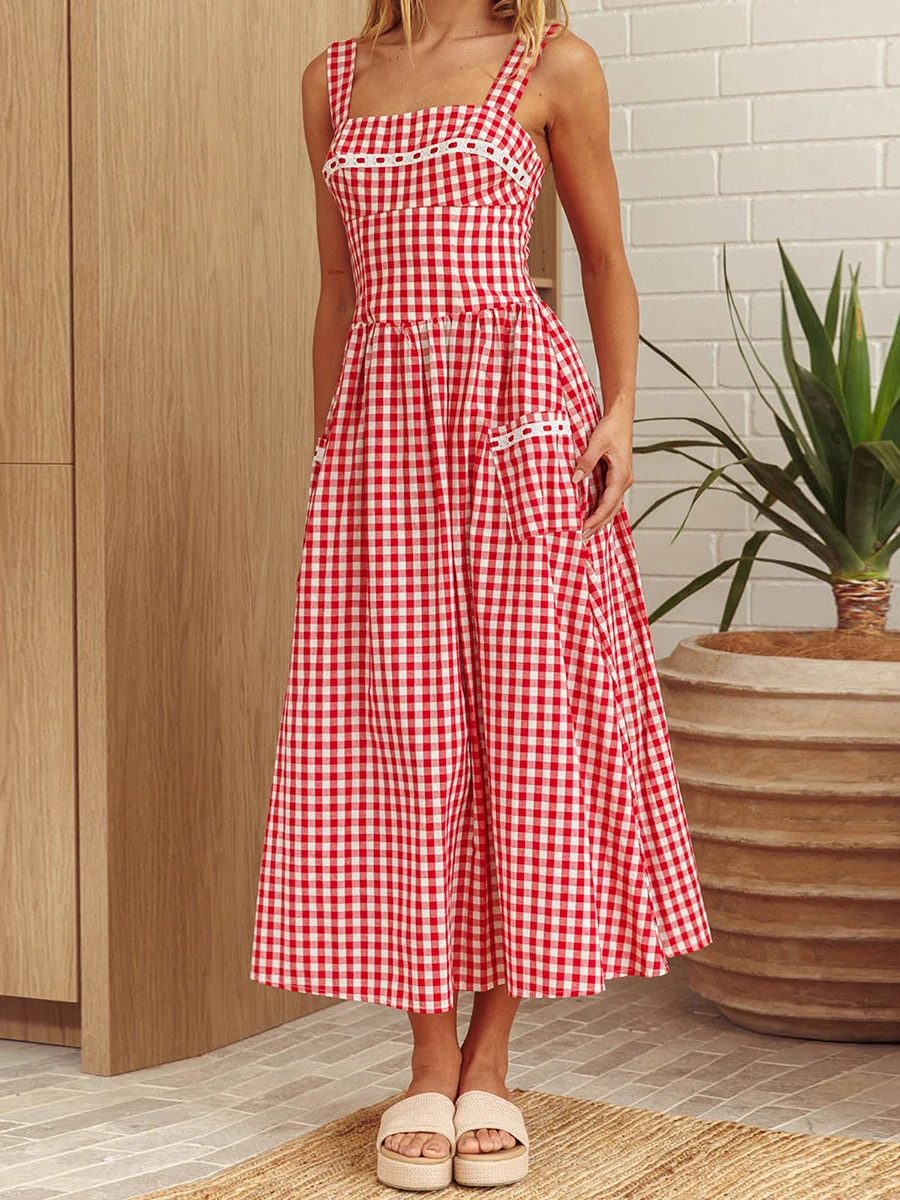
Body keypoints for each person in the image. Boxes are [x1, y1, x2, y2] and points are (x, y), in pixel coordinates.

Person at [251, 0, 712, 1190]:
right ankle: (425, 1054)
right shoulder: (332, 79)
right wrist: (332, 454)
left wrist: (618, 413)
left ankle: (490, 1059)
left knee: (524, 731)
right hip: (383, 442)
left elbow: (603, 262)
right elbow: (338, 289)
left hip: (520, 417)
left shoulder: (553, 64)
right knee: (403, 739)